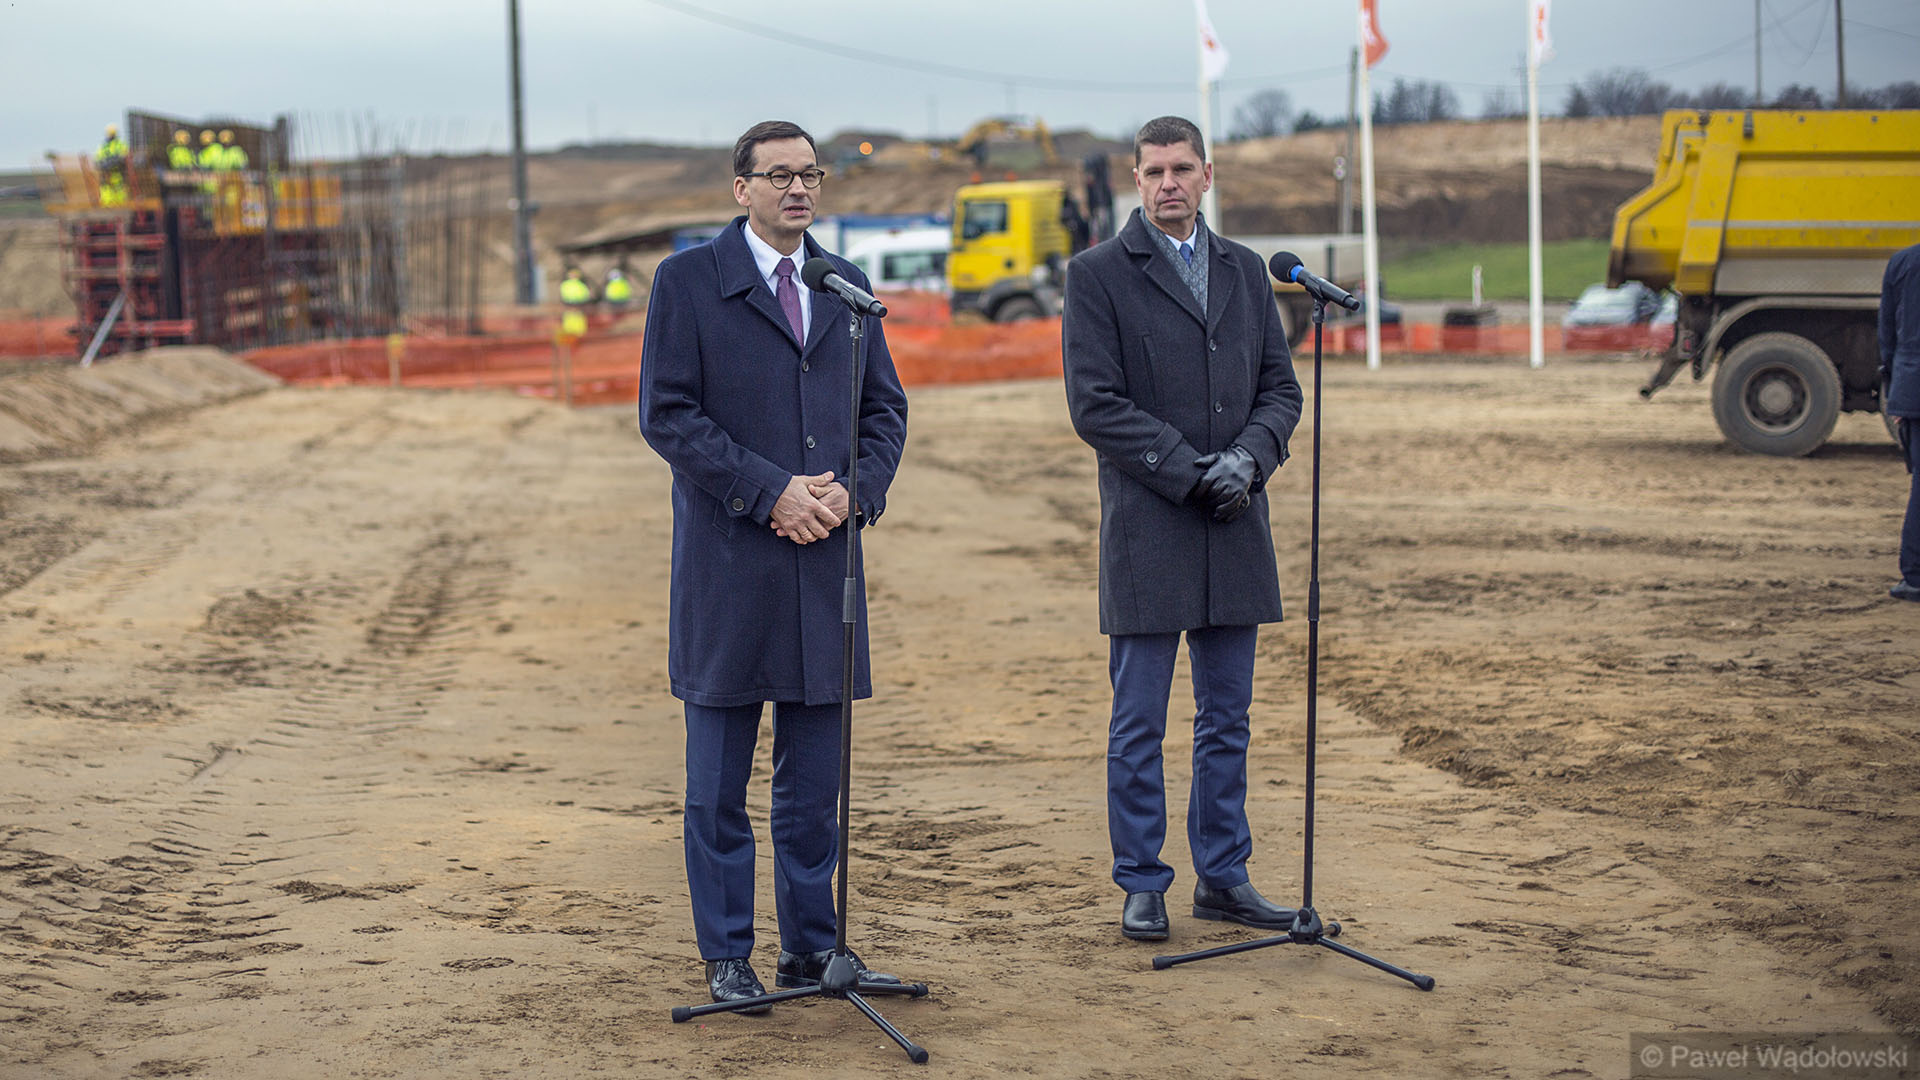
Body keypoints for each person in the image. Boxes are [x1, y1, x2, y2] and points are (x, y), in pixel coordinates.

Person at [637, 120, 909, 1009]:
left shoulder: (845, 286)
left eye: (811, 175)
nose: (798, 189)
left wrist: (853, 494)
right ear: (741, 188)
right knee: (718, 786)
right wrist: (771, 493)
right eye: (780, 175)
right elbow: (668, 415)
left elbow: (884, 411)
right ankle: (727, 956)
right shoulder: (687, 282)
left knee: (813, 788)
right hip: (729, 571)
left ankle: (812, 950)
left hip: (824, 569)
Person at [1061, 115, 1304, 943]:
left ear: (1208, 174)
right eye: (1155, 170)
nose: (1169, 183)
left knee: (1227, 719)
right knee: (1139, 723)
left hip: (1235, 522)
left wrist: (1249, 459)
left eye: (1182, 169)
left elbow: (1280, 388)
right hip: (1149, 527)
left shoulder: (1244, 270)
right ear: (1136, 179)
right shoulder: (1096, 274)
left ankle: (1224, 877)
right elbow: (1095, 405)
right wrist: (1190, 470)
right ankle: (1142, 880)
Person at [1881, 242, 1920, 602]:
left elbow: (1887, 333)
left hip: (1912, 387)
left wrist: (1896, 389)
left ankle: (1915, 577)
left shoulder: (1903, 262)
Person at [95, 124, 129, 208]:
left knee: (116, 195)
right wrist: (108, 163)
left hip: (116, 176)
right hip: (110, 176)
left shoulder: (104, 146)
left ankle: (113, 208)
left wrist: (112, 162)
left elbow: (124, 158)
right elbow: (98, 162)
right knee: (111, 193)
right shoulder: (118, 145)